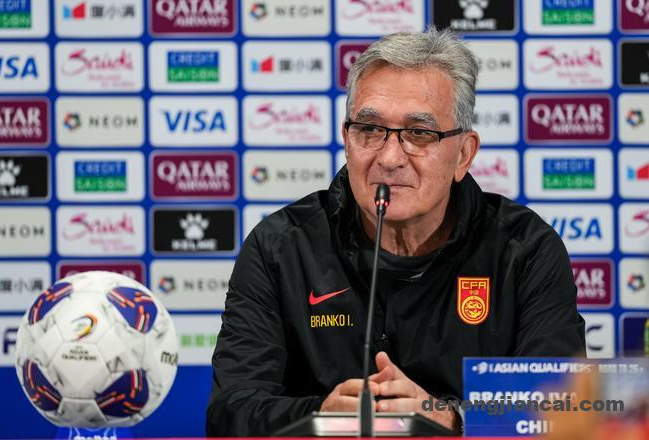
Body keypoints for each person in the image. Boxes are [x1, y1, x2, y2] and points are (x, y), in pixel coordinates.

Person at [206, 27, 586, 436]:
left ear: (464, 154)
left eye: (419, 133)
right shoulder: (281, 247)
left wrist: (452, 419)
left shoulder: (524, 250)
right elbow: (230, 412)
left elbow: (563, 409)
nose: (389, 157)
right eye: (369, 129)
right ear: (347, 139)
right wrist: (319, 417)